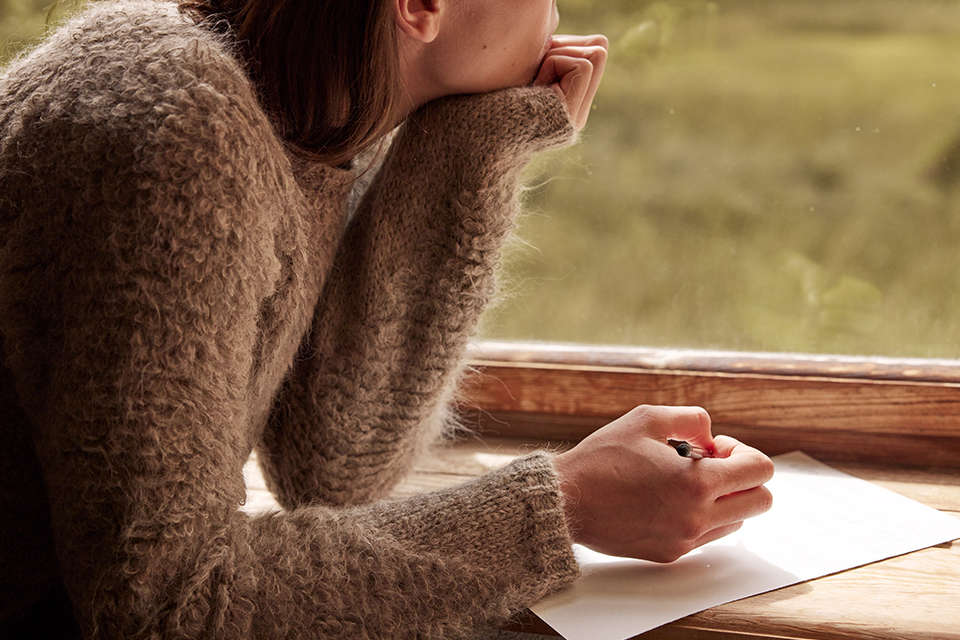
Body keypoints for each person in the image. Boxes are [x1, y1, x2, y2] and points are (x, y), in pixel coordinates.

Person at [0, 0, 774, 637]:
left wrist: (472, 147)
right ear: (421, 8)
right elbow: (163, 602)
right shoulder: (174, 122)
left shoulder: (309, 119)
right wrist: (567, 502)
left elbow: (335, 468)